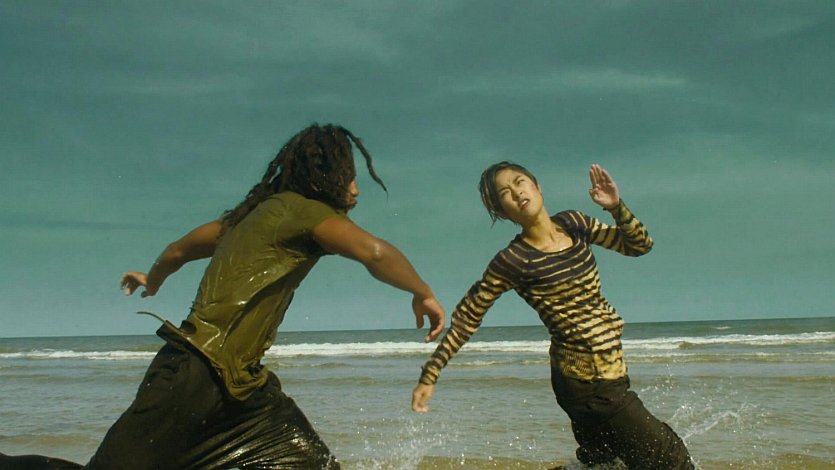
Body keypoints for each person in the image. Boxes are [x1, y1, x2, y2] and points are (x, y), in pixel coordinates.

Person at [1, 124, 444, 469]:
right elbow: (375, 252)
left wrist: (153, 278)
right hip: (191, 377)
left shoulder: (247, 218)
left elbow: (179, 250)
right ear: (327, 175)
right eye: (349, 176)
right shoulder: (307, 214)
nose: (356, 188)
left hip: (243, 392)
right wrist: (422, 292)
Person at [411, 162, 693, 469]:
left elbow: (639, 245)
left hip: (610, 369)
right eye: (505, 193)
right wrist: (430, 373)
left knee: (607, 464)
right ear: (502, 212)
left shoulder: (574, 223)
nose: (517, 192)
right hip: (587, 382)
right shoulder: (512, 260)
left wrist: (615, 207)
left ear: (537, 187)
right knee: (670, 457)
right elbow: (468, 318)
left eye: (520, 182)